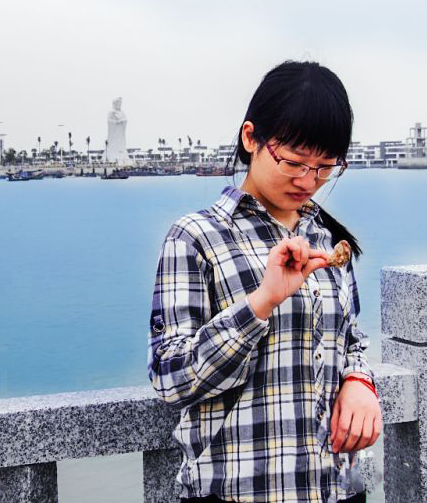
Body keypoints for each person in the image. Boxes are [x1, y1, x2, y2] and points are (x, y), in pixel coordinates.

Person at [147, 60, 382, 503]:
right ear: (250, 137)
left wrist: (359, 382)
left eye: (325, 167)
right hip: (238, 493)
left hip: (336, 489)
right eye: (293, 162)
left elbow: (351, 340)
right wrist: (261, 302)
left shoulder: (326, 240)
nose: (308, 181)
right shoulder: (197, 237)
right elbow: (169, 377)